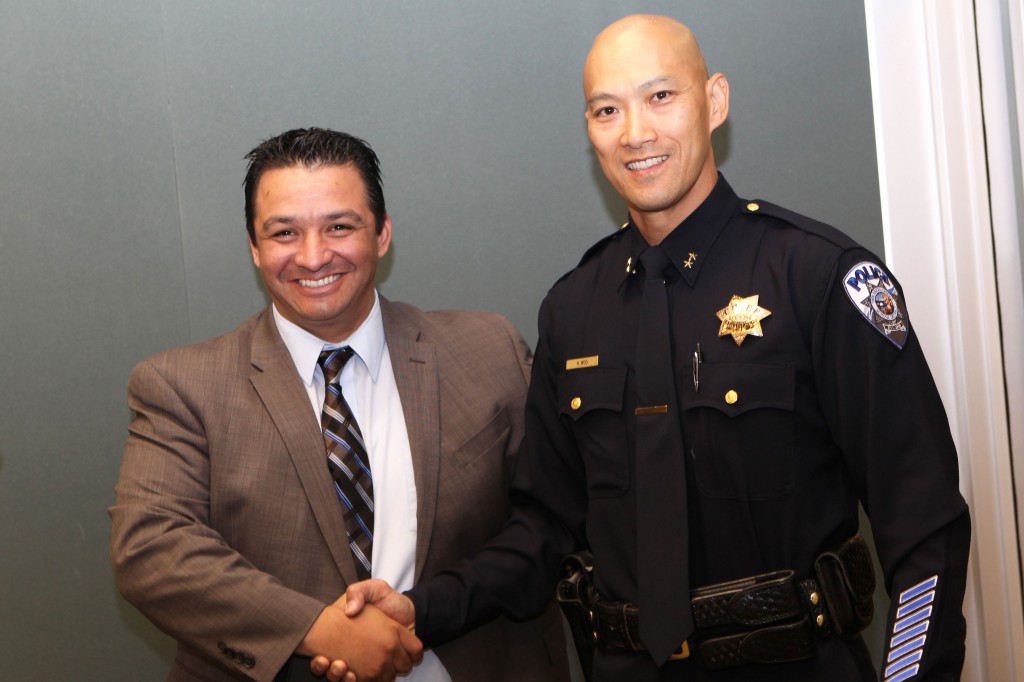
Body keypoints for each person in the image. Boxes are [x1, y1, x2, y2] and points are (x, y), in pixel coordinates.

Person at [340, 14, 971, 682]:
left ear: (715, 101)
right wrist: (419, 609)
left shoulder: (816, 277)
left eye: (660, 97)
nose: (636, 132)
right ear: (589, 130)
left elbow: (923, 526)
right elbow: (544, 531)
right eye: (607, 109)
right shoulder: (575, 309)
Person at [109, 127, 568, 682]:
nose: (313, 255)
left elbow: (547, 523)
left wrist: (430, 610)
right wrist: (318, 629)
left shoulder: (489, 350)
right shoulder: (182, 386)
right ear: (254, 249)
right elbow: (152, 548)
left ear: (382, 234)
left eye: (339, 226)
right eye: (284, 233)